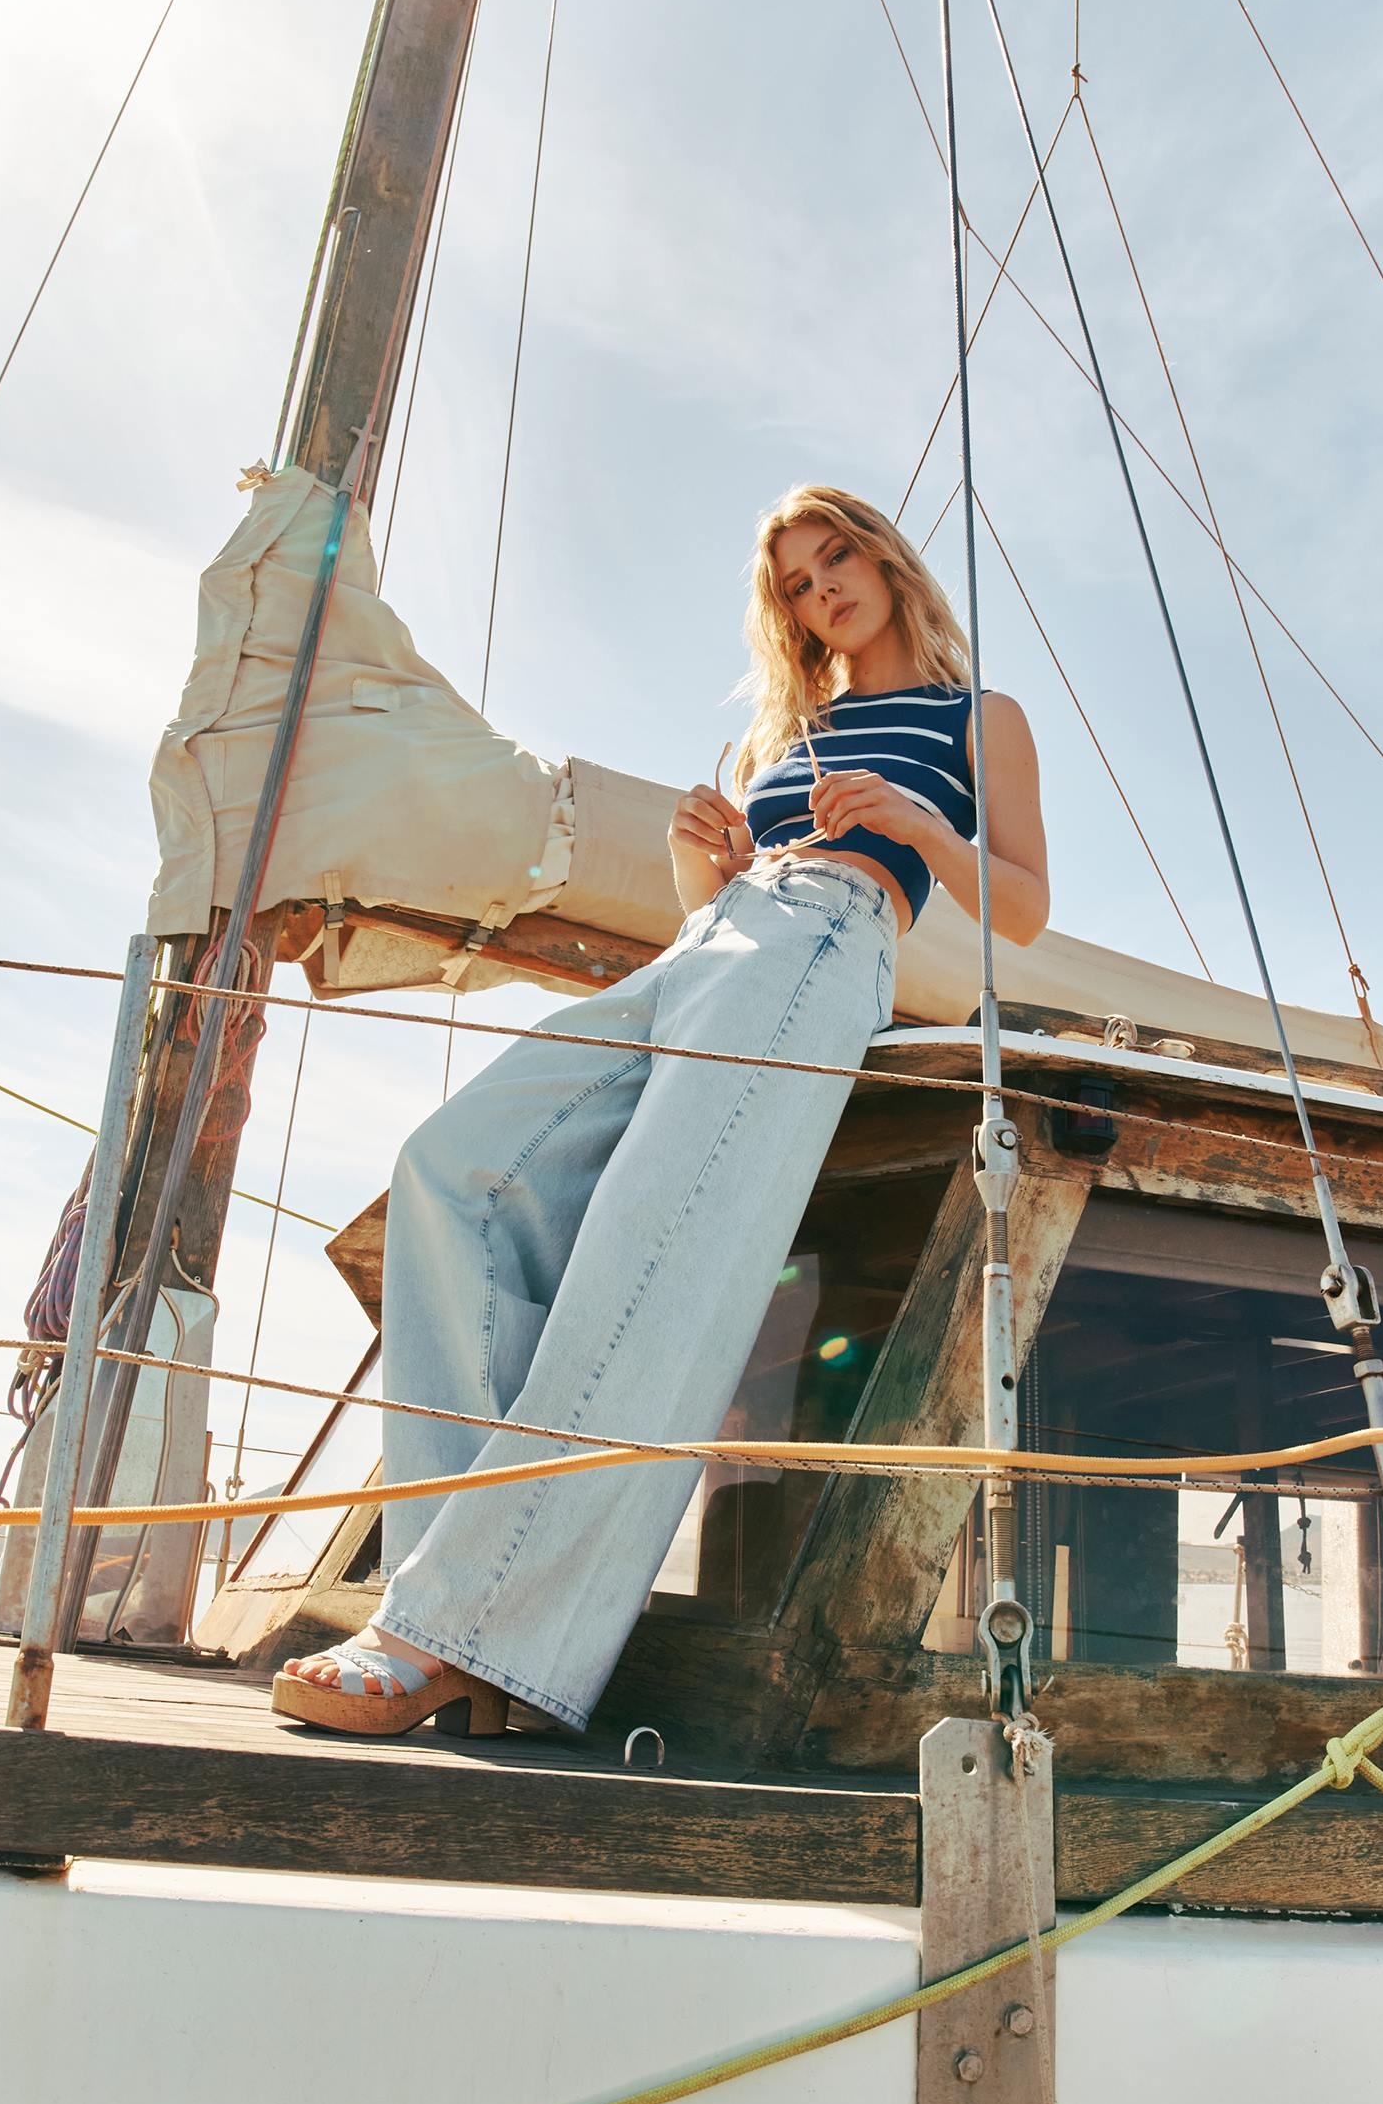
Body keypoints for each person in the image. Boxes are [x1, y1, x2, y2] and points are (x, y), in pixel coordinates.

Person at [273, 483, 1048, 1737]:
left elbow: (1024, 907)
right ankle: (455, 1610)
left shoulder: (978, 716)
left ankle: (445, 1636)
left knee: (656, 1240)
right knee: (458, 1172)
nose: (823, 591)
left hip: (828, 940)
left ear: (886, 560)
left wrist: (912, 820)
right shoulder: (797, 732)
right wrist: (708, 869)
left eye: (835, 559)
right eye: (797, 584)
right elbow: (721, 912)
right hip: (713, 942)